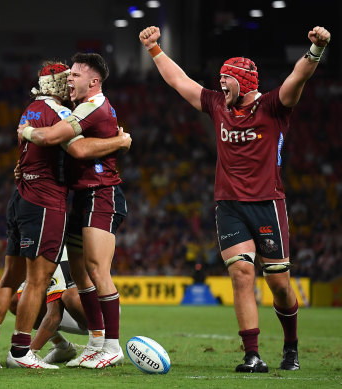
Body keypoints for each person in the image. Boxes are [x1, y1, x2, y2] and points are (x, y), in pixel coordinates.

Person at [138, 25, 331, 372]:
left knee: (279, 284)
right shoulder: (216, 104)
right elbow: (179, 81)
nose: (219, 84)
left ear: (243, 81)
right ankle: (252, 355)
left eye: (225, 78)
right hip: (229, 205)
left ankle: (290, 346)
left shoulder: (274, 106)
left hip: (268, 204)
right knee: (242, 273)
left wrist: (315, 49)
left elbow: (297, 77)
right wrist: (154, 49)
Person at [0, 60, 130, 369]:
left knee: (83, 272)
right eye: (69, 76)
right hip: (50, 199)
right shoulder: (61, 112)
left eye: (77, 75)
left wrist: (28, 137)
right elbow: (70, 148)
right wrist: (121, 140)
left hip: (83, 194)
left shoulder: (32, 109)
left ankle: (108, 345)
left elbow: (65, 148)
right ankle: (30, 351)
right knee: (49, 278)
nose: (71, 81)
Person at [9, 250, 88, 364]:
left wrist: (26, 353)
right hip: (68, 312)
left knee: (70, 297)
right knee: (18, 302)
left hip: (97, 313)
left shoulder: (54, 255)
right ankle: (61, 346)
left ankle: (102, 344)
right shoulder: (33, 258)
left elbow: (54, 315)